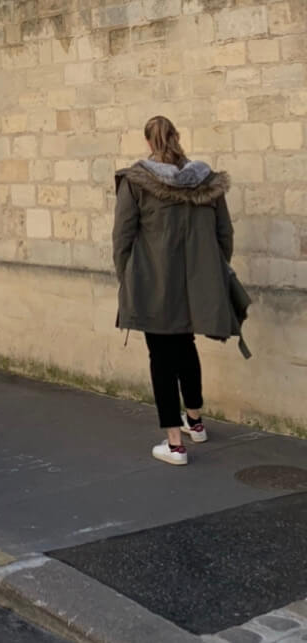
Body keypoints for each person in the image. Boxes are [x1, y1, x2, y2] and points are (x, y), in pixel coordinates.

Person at [112, 115, 235, 466]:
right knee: (185, 348)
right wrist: (211, 273)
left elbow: (122, 236)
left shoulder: (136, 181)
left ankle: (175, 443)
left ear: (149, 142)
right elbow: (225, 235)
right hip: (196, 284)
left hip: (153, 283)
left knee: (161, 358)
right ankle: (195, 422)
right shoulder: (206, 181)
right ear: (177, 138)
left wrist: (128, 278)